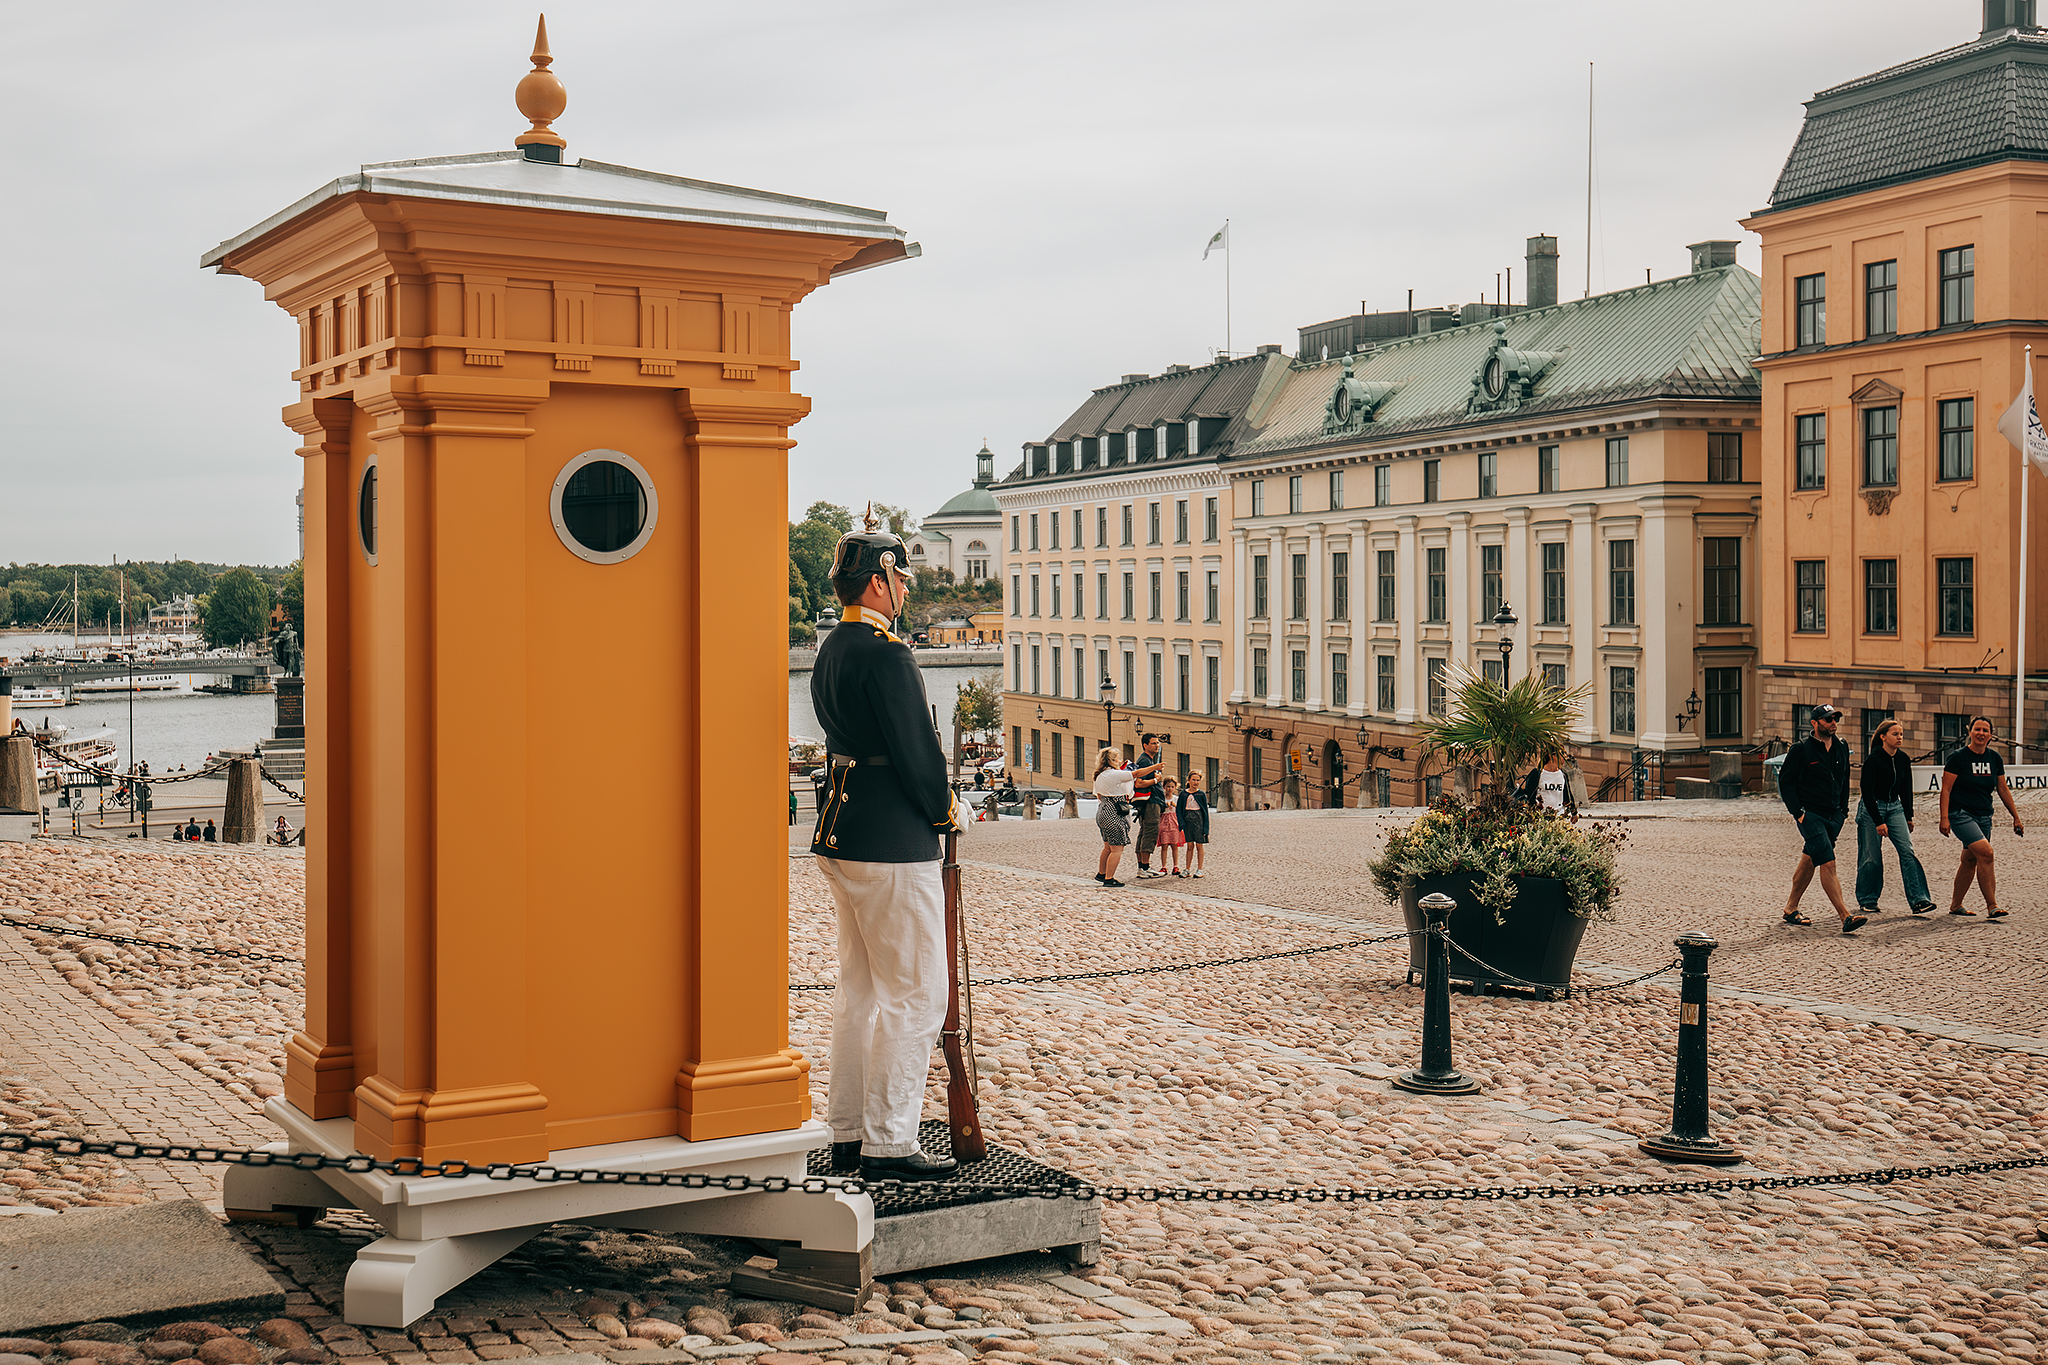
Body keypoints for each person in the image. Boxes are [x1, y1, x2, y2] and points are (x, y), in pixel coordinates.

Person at [808, 507, 962, 1182]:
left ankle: (846, 1132)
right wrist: (947, 808)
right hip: (894, 843)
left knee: (861, 992)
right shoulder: (889, 654)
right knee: (918, 993)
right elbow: (918, 753)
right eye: (901, 580)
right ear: (879, 581)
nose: (905, 593)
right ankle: (890, 1141)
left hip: (842, 829)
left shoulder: (831, 646)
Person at [1778, 704, 1863, 933]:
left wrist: (1843, 811)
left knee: (1810, 858)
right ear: (1815, 723)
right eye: (1828, 720)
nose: (1833, 723)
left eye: (1835, 719)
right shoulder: (1801, 750)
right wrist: (1799, 814)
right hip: (1811, 815)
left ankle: (1790, 908)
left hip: (1834, 815)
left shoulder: (1841, 747)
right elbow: (1786, 783)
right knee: (1828, 861)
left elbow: (1845, 779)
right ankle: (1845, 916)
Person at [1939, 716, 2024, 919]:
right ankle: (1992, 906)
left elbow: (2002, 789)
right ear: (1970, 731)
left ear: (1991, 735)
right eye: (1977, 729)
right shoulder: (1958, 757)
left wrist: (2016, 817)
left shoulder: (1994, 758)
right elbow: (1946, 789)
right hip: (1960, 814)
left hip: (1984, 815)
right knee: (1986, 853)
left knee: (1970, 859)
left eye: (1985, 730)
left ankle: (1955, 904)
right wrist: (1944, 818)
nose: (1981, 734)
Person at [1855, 718, 1934, 916]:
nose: (1899, 738)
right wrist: (1878, 821)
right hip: (1872, 809)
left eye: (1901, 734)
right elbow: (1866, 791)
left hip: (1895, 808)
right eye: (1895, 734)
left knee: (1907, 851)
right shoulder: (1873, 759)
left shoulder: (1903, 759)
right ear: (1883, 737)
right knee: (1871, 857)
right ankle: (1868, 898)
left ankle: (1919, 899)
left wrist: (1909, 816)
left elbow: (1906, 788)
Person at [1091, 748, 1136, 887]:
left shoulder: (1100, 775)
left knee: (1107, 847)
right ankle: (1109, 878)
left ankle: (1102, 873)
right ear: (1111, 760)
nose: (1120, 760)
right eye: (1117, 758)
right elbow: (1136, 774)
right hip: (1113, 813)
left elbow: (1098, 795)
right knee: (1117, 849)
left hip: (1103, 811)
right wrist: (1156, 769)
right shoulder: (1113, 774)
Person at [1129, 734, 1168, 878]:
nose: (1157, 745)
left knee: (1144, 832)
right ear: (1145, 745)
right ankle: (1145, 867)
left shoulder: (1148, 760)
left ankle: (1143, 866)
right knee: (1150, 832)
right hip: (1151, 802)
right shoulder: (1145, 761)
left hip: (1149, 802)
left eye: (1158, 743)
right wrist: (1155, 780)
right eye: (1153, 743)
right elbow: (1138, 783)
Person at [1518, 749, 1575, 817]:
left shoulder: (1563, 775)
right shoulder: (1537, 773)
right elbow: (1529, 795)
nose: (1565, 756)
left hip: (1558, 816)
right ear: (1552, 756)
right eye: (1562, 753)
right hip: (1540, 816)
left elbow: (1568, 796)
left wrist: (1574, 812)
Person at [1177, 769, 1211, 877]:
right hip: (1188, 820)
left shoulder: (1201, 794)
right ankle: (1187, 868)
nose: (1195, 782)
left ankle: (1200, 868)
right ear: (1188, 780)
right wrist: (1181, 822)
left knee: (1199, 845)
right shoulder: (1183, 794)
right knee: (1190, 845)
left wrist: (1206, 828)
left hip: (1199, 820)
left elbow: (1205, 811)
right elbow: (1179, 809)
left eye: (1197, 780)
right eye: (1193, 780)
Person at [1156, 777, 1187, 874]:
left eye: (1172, 787)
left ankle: (1175, 866)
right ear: (1164, 787)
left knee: (1174, 845)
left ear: (1175, 787)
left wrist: (1175, 805)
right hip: (1164, 822)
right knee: (1164, 845)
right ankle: (1164, 866)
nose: (1170, 789)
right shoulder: (1161, 798)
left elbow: (1182, 810)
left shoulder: (1176, 799)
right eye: (1168, 786)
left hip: (1174, 822)